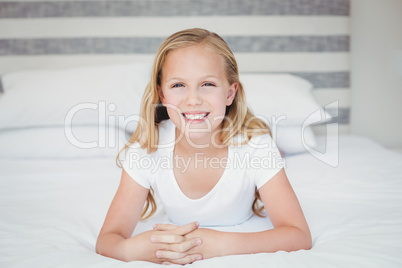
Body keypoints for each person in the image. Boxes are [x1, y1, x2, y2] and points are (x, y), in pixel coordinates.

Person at [96, 28, 311, 265]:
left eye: (207, 83)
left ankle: (281, 153)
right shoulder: (147, 149)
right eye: (178, 85)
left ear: (230, 93)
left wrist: (217, 244)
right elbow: (108, 240)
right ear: (162, 95)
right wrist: (133, 250)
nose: (193, 99)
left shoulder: (255, 146)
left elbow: (298, 235)